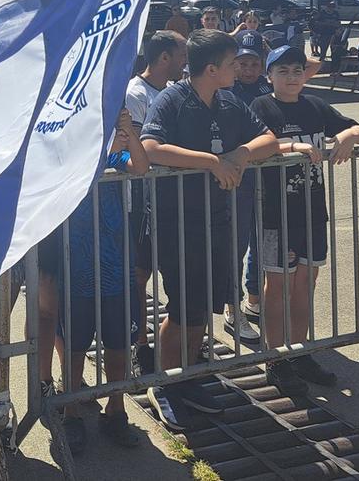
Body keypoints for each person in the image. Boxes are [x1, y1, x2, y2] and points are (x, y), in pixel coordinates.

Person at [140, 30, 279, 420]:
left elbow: (268, 139)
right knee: (183, 307)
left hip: (221, 220)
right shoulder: (172, 99)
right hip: (178, 221)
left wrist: (239, 153)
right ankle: (165, 383)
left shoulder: (230, 101)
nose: (239, 69)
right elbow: (150, 147)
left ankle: (189, 375)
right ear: (212, 68)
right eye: (234, 63)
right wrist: (211, 161)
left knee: (203, 308)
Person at [250, 46, 359, 396]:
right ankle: (276, 358)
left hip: (313, 210)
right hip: (276, 212)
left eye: (297, 70)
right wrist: (289, 147)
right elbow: (251, 147)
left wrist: (347, 135)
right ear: (269, 75)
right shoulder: (260, 107)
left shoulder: (315, 105)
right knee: (278, 287)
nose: (291, 77)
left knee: (305, 284)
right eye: (283, 70)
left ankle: (298, 350)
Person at [55, 109, 148, 453]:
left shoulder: (116, 155)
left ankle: (116, 408)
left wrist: (128, 133)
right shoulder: (70, 152)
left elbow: (140, 166)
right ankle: (71, 411)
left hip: (114, 261)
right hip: (76, 261)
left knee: (118, 341)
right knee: (76, 342)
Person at [124, 31, 188, 366]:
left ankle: (181, 336)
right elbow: (131, 148)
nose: (185, 61)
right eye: (181, 54)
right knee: (140, 273)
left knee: (175, 270)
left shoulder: (178, 91)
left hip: (172, 198)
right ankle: (140, 342)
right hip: (143, 200)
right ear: (164, 57)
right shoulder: (136, 93)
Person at [225, 39, 272, 336]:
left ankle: (255, 299)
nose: (249, 69)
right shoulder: (226, 91)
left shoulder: (269, 88)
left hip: (267, 177)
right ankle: (233, 308)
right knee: (236, 244)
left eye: (255, 63)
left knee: (262, 242)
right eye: (243, 63)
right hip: (237, 179)